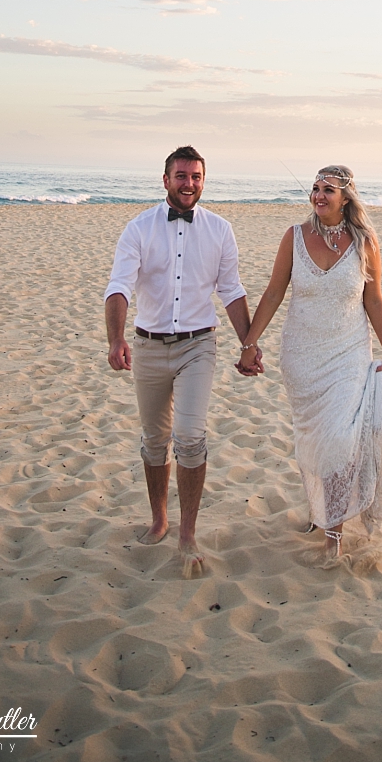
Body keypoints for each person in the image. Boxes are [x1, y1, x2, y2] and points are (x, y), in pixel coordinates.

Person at [104, 145, 261, 571]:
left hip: (198, 345)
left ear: (203, 181)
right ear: (166, 180)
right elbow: (119, 286)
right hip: (148, 346)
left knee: (190, 437)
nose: (189, 183)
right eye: (181, 176)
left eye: (196, 177)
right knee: (155, 440)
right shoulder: (138, 228)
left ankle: (187, 533)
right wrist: (116, 339)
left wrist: (248, 344)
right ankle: (159, 519)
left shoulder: (220, 230)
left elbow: (231, 289)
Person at [237, 164, 382, 562]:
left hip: (348, 355)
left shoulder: (365, 242)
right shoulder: (293, 237)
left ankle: (333, 535)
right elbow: (274, 293)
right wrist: (250, 342)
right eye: (315, 188)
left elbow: (374, 299)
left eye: (328, 190)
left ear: (345, 198)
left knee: (338, 442)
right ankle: (319, 510)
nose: (318, 196)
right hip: (302, 358)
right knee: (312, 443)